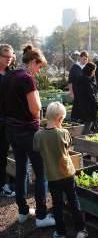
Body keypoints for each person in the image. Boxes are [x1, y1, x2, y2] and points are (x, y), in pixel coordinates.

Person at [3, 45, 55, 227]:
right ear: (33, 62)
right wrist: (39, 103)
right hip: (28, 132)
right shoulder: (27, 79)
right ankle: (41, 216)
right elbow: (35, 110)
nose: (38, 71)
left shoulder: (9, 75)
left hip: (12, 129)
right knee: (41, 173)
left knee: (21, 170)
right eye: (39, 67)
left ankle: (23, 211)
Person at [33, 102, 88, 238]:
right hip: (68, 173)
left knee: (57, 205)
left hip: (52, 176)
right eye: (62, 119)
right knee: (73, 201)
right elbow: (68, 146)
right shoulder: (64, 133)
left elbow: (36, 149)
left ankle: (60, 232)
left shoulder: (38, 135)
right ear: (59, 118)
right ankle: (81, 230)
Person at [0, 44, 15, 197]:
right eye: (5, 57)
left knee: (4, 153)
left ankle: (3, 184)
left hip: (8, 120)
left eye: (10, 57)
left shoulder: (11, 74)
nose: (8, 60)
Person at [76, 62, 98, 134]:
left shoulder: (80, 78)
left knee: (89, 123)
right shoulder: (88, 81)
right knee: (96, 124)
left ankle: (82, 139)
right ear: (91, 70)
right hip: (90, 107)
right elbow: (91, 95)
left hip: (83, 106)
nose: (94, 72)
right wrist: (97, 106)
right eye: (94, 70)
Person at [68, 50, 89, 122]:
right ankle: (74, 121)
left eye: (86, 59)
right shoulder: (75, 67)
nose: (85, 61)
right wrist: (71, 92)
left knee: (85, 107)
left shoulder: (88, 67)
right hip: (76, 91)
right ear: (80, 58)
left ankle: (83, 122)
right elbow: (70, 81)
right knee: (76, 107)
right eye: (84, 59)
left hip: (86, 92)